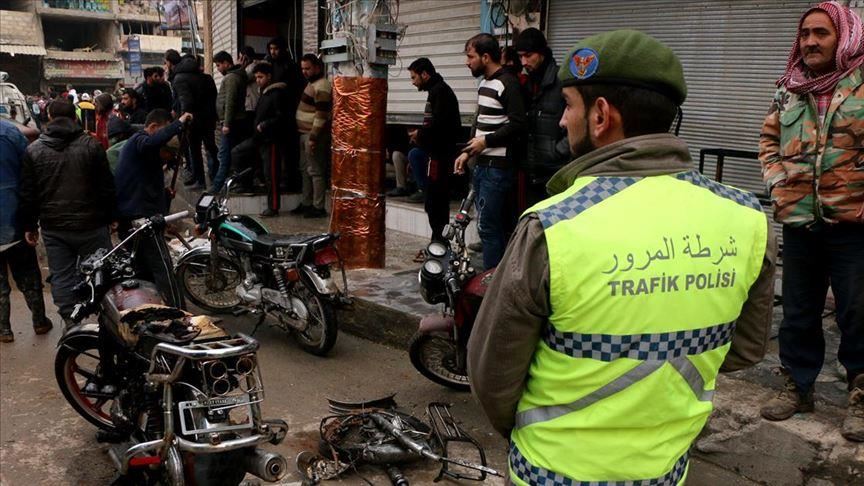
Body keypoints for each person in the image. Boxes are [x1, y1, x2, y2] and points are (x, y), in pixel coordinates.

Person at [468, 30, 777, 484]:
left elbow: (493, 374)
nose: (561, 121)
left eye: (568, 106)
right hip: (665, 471)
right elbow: (744, 349)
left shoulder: (552, 225)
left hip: (553, 471)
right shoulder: (747, 217)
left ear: (600, 116)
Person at [758, 1, 864, 442]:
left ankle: (860, 395)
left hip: (854, 225)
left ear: (844, 36)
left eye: (821, 33)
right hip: (800, 220)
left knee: (857, 312)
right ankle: (798, 388)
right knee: (799, 311)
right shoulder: (789, 89)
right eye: (804, 34)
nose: (810, 42)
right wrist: (778, 186)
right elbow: (768, 141)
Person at [19, 100, 116, 329]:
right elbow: (106, 186)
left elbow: (29, 193)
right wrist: (112, 216)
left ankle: (71, 323)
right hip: (92, 224)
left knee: (61, 276)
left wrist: (30, 226)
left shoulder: (34, 150)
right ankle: (105, 321)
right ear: (75, 117)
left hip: (55, 227)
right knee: (101, 272)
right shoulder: (91, 145)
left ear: (49, 118)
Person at [454, 33, 525, 270]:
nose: (467, 62)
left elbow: (518, 124)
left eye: (470, 56)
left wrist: (486, 142)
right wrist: (468, 152)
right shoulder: (485, 84)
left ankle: (492, 280)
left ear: (485, 57)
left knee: (489, 226)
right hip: (482, 166)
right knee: (486, 225)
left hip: (499, 169)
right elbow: (481, 126)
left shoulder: (508, 83)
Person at [114, 109, 192, 308]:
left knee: (144, 269)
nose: (166, 156)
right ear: (154, 127)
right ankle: (178, 312)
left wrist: (164, 197)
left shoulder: (145, 156)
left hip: (136, 217)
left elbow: (145, 187)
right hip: (140, 220)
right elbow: (152, 142)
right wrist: (178, 124)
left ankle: (152, 309)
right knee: (162, 266)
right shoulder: (139, 141)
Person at [0, 119, 53, 342]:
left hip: (12, 215)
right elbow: (30, 171)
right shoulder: (10, 133)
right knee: (28, 272)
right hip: (14, 216)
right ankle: (39, 321)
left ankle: (4, 329)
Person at [406, 57, 462, 242]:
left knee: (436, 203)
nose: (413, 82)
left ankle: (439, 243)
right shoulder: (436, 91)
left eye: (414, 77)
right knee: (433, 203)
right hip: (436, 154)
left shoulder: (440, 92)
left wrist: (420, 135)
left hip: (440, 156)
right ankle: (437, 241)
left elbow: (439, 127)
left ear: (424, 74)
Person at [514, 28, 570, 209]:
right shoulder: (527, 84)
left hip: (556, 174)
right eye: (520, 57)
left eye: (528, 55)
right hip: (532, 173)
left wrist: (557, 152)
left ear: (542, 53)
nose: (524, 62)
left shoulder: (563, 81)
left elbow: (579, 122)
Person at [231, 62, 290, 216]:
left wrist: (264, 125)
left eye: (260, 77)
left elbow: (281, 117)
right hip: (259, 138)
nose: (258, 80)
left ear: (269, 76)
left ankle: (273, 207)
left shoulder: (276, 94)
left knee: (271, 174)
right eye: (256, 77)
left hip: (270, 140)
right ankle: (245, 184)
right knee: (238, 152)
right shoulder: (264, 92)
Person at [170, 53, 219, 189]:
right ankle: (215, 179)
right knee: (211, 148)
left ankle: (200, 180)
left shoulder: (179, 78)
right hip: (208, 119)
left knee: (195, 150)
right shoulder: (207, 78)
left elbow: (185, 101)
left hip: (192, 121)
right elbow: (214, 98)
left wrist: (184, 120)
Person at [293, 54, 332, 218]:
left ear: (317, 67)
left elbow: (321, 114)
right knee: (305, 169)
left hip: (313, 134)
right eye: (302, 68)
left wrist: (314, 137)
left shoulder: (322, 85)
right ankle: (307, 202)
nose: (304, 72)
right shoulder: (312, 83)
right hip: (304, 132)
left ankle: (318, 206)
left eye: (307, 68)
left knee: (315, 170)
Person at [266, 36, 304, 193]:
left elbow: (296, 88)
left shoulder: (290, 66)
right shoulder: (268, 64)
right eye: (271, 49)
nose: (273, 52)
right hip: (273, 113)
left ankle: (291, 181)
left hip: (287, 113)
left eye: (276, 49)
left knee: (289, 151)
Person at [213, 51, 250, 194]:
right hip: (235, 121)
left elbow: (230, 101)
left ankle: (217, 187)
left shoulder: (231, 78)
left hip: (231, 123)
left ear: (226, 63)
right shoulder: (235, 75)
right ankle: (230, 183)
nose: (218, 69)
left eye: (218, 65)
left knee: (224, 155)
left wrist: (227, 124)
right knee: (230, 155)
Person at [239, 46, 262, 122]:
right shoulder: (249, 67)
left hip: (252, 104)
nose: (239, 60)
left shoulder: (253, 67)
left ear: (245, 57)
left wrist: (241, 66)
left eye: (240, 57)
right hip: (250, 104)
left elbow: (241, 79)